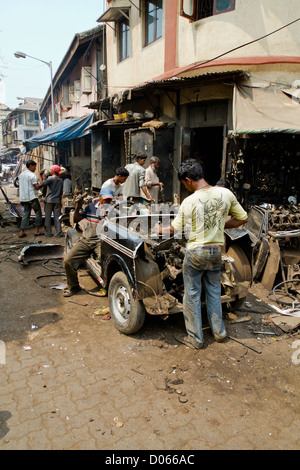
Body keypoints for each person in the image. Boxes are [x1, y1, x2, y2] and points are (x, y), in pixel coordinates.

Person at [156, 159, 248, 350]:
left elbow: (174, 230)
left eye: (184, 184)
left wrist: (159, 229)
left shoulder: (189, 201)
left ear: (188, 180)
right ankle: (219, 333)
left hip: (196, 252)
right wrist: (221, 224)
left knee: (192, 294)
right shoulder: (225, 193)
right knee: (214, 291)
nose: (185, 187)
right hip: (215, 251)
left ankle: (196, 339)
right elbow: (242, 218)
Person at [63, 187, 114, 297]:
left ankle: (109, 288)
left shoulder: (113, 210)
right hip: (86, 240)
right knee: (68, 260)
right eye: (106, 200)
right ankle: (73, 287)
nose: (107, 202)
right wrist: (78, 206)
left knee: (107, 262)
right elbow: (76, 219)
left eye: (110, 200)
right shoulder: (90, 207)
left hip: (101, 242)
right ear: (100, 198)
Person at [18, 160, 43, 238]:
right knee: (38, 213)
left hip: (24, 198)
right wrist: (42, 181)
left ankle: (22, 232)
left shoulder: (21, 175)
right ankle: (37, 231)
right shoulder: (32, 175)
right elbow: (37, 187)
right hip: (32, 198)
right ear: (31, 166)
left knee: (26, 214)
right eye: (35, 167)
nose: (35, 168)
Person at [39, 165, 64, 237]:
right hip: (57, 201)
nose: (50, 171)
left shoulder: (50, 178)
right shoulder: (61, 180)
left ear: (53, 171)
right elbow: (61, 193)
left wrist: (40, 175)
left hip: (49, 200)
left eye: (51, 170)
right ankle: (59, 232)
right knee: (57, 217)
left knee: (48, 216)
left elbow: (42, 185)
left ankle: (48, 233)